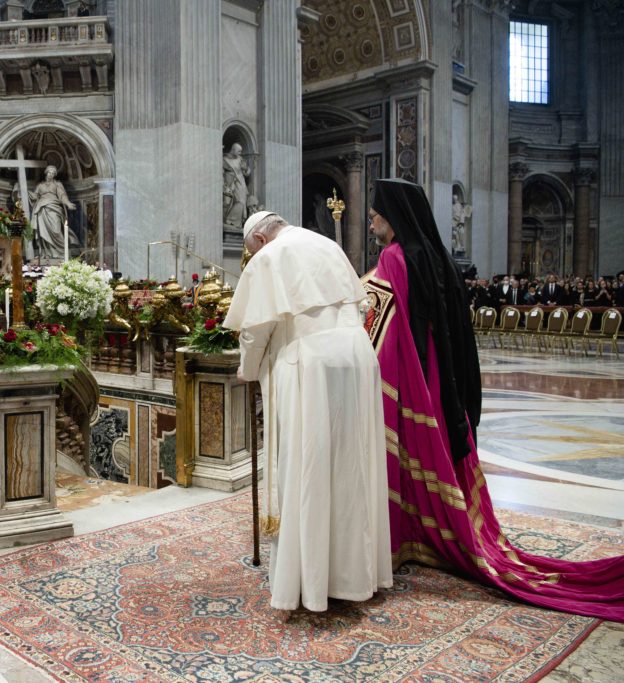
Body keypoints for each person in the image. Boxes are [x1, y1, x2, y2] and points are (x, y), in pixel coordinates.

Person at [362, 177, 624, 621]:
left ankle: (409, 536)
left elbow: (382, 327)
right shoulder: (436, 257)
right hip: (442, 382)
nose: (371, 226)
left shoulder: (394, 257)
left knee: (405, 457)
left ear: (392, 216)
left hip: (412, 379)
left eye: (373, 217)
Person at [223, 210, 391, 613]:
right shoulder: (328, 245)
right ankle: (353, 575)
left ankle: (312, 581)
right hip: (357, 358)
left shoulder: (270, 256)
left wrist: (247, 369)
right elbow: (362, 305)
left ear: (259, 241)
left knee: (309, 463)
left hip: (310, 362)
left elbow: (255, 328)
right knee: (353, 465)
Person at [30, 165, 77, 260]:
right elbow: (34, 196)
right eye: (49, 172)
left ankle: (62, 253)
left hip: (54, 208)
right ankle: (46, 254)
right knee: (43, 232)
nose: (50, 174)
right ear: (46, 173)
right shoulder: (40, 185)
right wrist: (26, 193)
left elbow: (62, 195)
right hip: (42, 209)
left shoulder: (57, 184)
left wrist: (68, 204)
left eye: (53, 173)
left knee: (56, 230)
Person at [222, 143, 250, 229]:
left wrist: (245, 168)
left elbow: (247, 172)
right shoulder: (225, 160)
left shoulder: (240, 159)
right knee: (234, 202)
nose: (240, 153)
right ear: (233, 150)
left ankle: (235, 222)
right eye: (239, 151)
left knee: (242, 202)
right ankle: (229, 220)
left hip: (241, 183)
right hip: (231, 185)